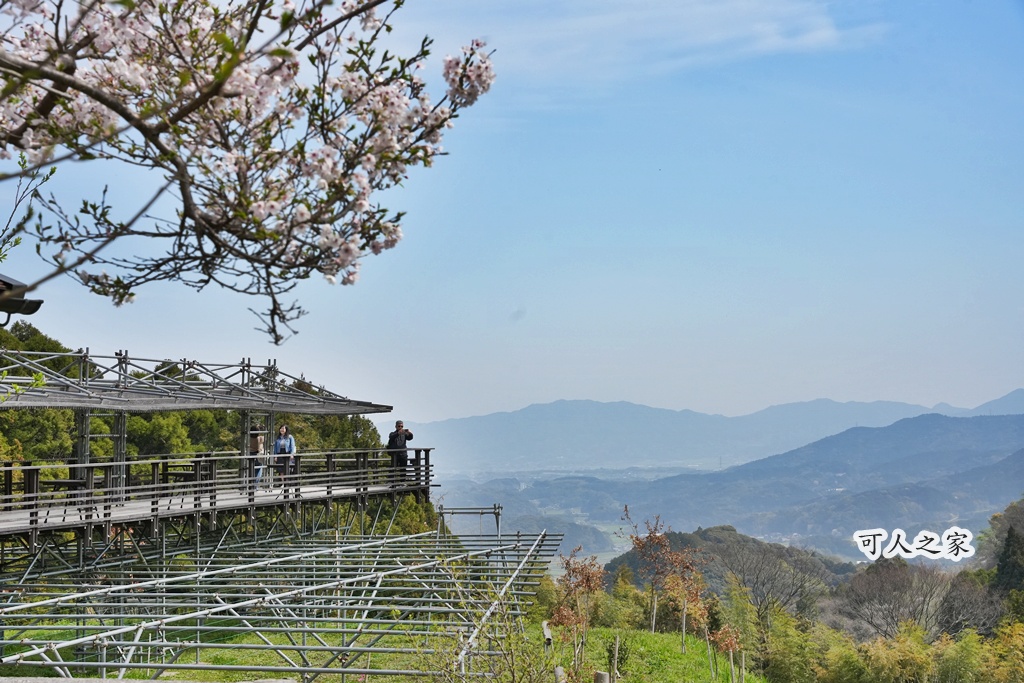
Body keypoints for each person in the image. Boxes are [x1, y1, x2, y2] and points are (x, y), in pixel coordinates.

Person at [386, 420, 413, 485]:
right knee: (393, 468)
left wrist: (410, 433)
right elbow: (391, 437)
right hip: (395, 455)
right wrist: (398, 433)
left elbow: (410, 438)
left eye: (402, 426)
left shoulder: (404, 434)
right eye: (399, 426)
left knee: (403, 469)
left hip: (403, 454)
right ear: (396, 426)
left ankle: (402, 482)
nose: (400, 427)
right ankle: (391, 482)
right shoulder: (392, 433)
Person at [273, 425, 297, 492]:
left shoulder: (290, 437)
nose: (282, 430)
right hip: (279, 453)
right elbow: (275, 448)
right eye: (281, 428)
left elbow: (292, 446)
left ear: (286, 429)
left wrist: (292, 454)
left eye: (283, 428)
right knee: (280, 470)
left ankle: (288, 483)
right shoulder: (278, 438)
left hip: (287, 453)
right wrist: (275, 456)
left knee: (287, 468)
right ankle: (284, 483)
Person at [249, 425, 266, 489]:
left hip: (250, 454)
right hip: (258, 454)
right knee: (259, 469)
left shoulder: (249, 438)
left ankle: (251, 485)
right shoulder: (260, 438)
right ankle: (255, 485)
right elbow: (260, 447)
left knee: (251, 470)